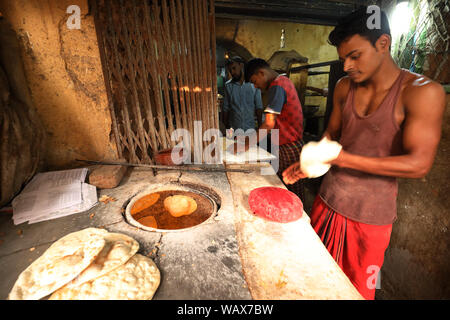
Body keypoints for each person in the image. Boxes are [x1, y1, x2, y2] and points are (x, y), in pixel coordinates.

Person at [282, 7, 445, 300]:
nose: (346, 66)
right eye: (343, 58)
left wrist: (340, 158)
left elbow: (418, 164)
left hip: (370, 219)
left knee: (357, 290)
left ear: (383, 43)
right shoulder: (344, 88)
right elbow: (331, 136)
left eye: (354, 56)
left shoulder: (422, 92)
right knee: (311, 278)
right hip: (328, 201)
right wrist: (312, 163)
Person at [231, 58, 305, 201]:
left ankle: (296, 216)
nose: (256, 86)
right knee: (289, 185)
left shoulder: (277, 86)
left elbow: (269, 124)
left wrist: (246, 144)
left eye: (254, 81)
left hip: (288, 147)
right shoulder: (284, 81)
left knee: (291, 188)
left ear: (261, 72)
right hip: (290, 144)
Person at [222, 56, 263, 134]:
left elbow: (259, 107)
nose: (232, 72)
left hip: (250, 129)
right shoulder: (228, 86)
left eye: (234, 68)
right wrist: (225, 128)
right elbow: (225, 108)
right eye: (230, 70)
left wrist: (260, 126)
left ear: (241, 65)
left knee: (251, 146)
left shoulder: (253, 84)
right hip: (234, 130)